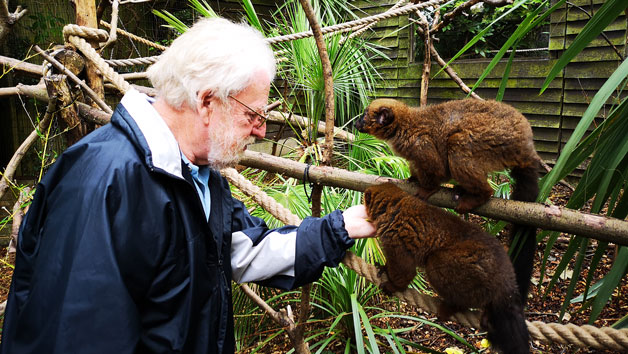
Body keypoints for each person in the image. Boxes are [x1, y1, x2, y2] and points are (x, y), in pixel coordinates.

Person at [1, 17, 376, 353]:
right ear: (208, 102)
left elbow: (244, 251)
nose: (261, 129)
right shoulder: (104, 180)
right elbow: (74, 332)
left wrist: (341, 226)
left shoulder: (200, 176)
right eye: (253, 114)